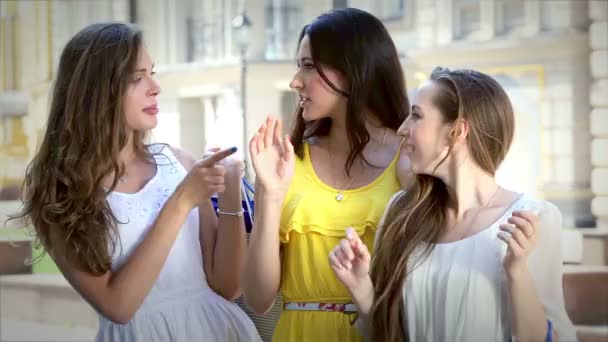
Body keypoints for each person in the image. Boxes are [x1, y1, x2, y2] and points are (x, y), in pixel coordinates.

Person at [14, 22, 261, 342]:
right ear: (95, 91)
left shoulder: (178, 162)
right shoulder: (58, 190)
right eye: (136, 77)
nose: (155, 87)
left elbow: (227, 286)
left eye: (152, 72)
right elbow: (118, 306)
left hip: (217, 331)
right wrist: (183, 200)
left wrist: (230, 187)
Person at [329, 67, 578, 342]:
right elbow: (384, 334)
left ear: (457, 131)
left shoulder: (535, 218)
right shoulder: (402, 211)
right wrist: (362, 288)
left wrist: (517, 271)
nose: (402, 129)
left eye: (416, 115)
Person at [243, 8, 411, 342]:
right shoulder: (288, 162)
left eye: (308, 66)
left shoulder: (409, 160)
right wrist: (270, 195)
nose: (294, 81)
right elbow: (258, 299)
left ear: (352, 70)